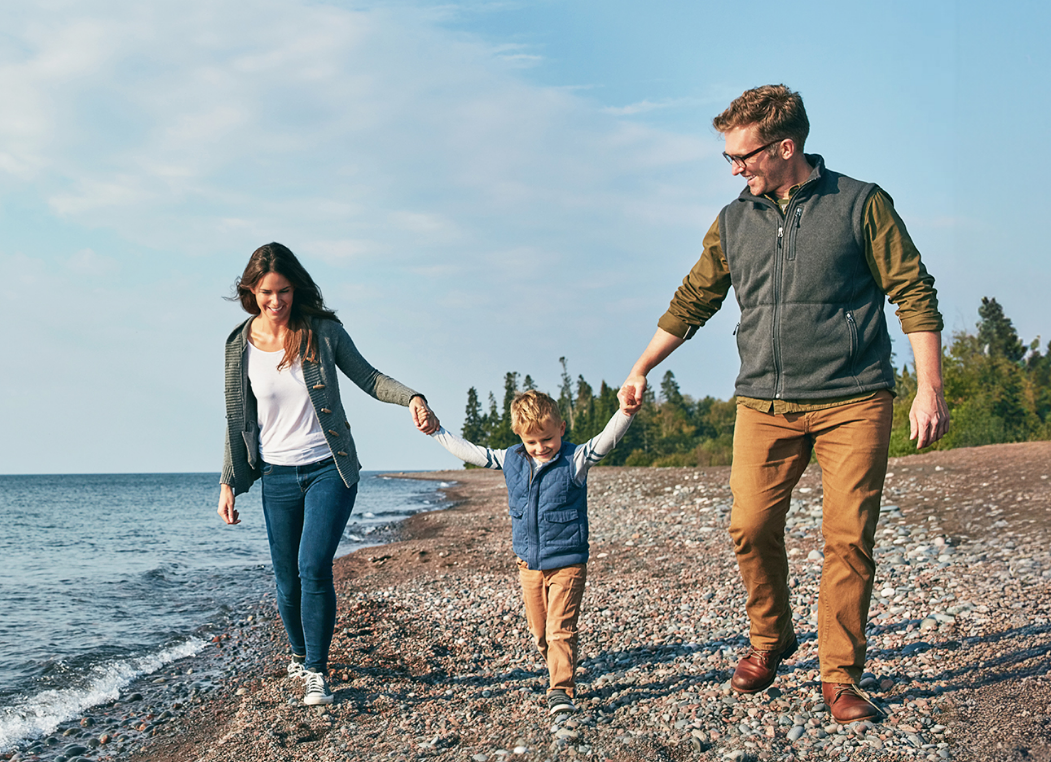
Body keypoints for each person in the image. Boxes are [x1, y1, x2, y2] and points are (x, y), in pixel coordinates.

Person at [618, 85, 950, 724]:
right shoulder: (733, 220)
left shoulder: (861, 204)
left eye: (741, 156)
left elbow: (913, 291)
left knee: (847, 538)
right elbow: (693, 300)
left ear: (785, 147)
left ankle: (840, 677)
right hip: (763, 404)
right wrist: (641, 367)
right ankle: (771, 638)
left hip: (854, 399)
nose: (734, 169)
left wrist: (929, 389)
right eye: (729, 158)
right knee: (749, 525)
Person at [218, 242, 438, 706]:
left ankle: (317, 671)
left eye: (283, 291)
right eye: (266, 292)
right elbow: (237, 419)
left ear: (296, 289)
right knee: (286, 580)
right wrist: (228, 483)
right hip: (276, 475)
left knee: (312, 567)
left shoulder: (322, 331)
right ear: (251, 291)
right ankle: (300, 655)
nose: (276, 301)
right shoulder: (239, 345)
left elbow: (370, 378)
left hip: (328, 468)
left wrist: (413, 398)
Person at [427, 390, 632, 715]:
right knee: (540, 633)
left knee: (559, 630)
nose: (540, 447)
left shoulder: (574, 459)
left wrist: (626, 412)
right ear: (519, 437)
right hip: (529, 564)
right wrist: (437, 431)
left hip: (567, 562)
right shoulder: (512, 459)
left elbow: (606, 441)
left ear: (561, 428)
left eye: (547, 439)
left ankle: (560, 690)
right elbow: (472, 452)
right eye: (531, 441)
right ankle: (558, 668)